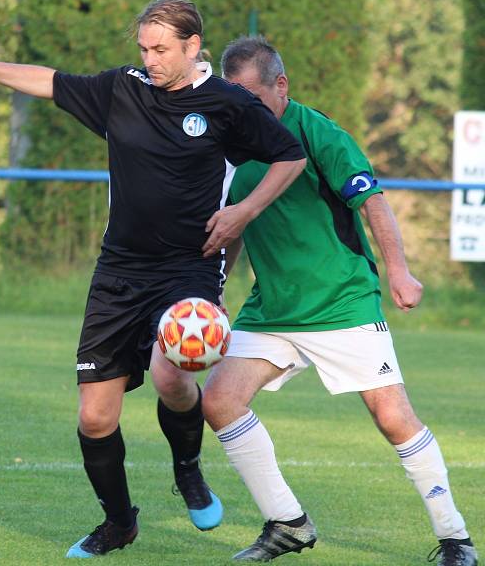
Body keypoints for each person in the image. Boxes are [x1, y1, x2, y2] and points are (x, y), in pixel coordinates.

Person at [0, 0, 307, 558]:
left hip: (189, 267)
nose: (150, 59)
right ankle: (119, 521)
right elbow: (47, 81)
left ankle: (188, 470)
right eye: (144, 49)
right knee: (94, 414)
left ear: (192, 46)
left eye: (161, 49)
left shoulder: (226, 103)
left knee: (171, 377)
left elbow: (289, 155)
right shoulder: (122, 88)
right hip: (119, 270)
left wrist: (243, 212)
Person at [201, 35, 478, 566]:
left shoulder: (318, 132)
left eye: (251, 99)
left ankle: (455, 539)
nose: (241, 111)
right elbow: (235, 221)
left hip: (341, 303)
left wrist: (398, 271)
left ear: (281, 86)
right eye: (232, 100)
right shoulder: (230, 144)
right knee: (218, 400)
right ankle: (288, 523)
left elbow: (372, 202)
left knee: (394, 419)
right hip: (272, 308)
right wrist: (215, 290)